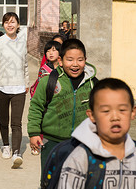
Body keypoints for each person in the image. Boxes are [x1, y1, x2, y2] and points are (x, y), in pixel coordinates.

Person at [55, 78, 136, 189]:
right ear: (92, 115)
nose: (115, 117)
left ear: (133, 112)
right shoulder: (81, 156)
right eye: (106, 111)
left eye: (122, 110)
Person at [28, 38, 97, 172]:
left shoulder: (93, 84)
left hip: (83, 143)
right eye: (69, 60)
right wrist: (34, 133)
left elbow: (101, 112)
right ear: (60, 61)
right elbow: (36, 107)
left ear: (85, 60)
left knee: (79, 181)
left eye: (80, 60)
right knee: (50, 182)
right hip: (52, 142)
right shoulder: (49, 81)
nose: (75, 64)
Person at [0, 12, 29, 169]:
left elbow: (25, 65)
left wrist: (27, 82)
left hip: (18, 88)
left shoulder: (22, 42)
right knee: (4, 120)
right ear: (3, 25)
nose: (10, 25)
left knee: (16, 123)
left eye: (13, 22)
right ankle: (5, 145)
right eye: (7, 22)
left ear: (18, 24)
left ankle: (16, 153)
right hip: (1, 87)